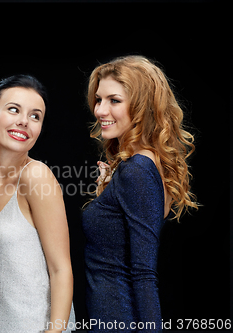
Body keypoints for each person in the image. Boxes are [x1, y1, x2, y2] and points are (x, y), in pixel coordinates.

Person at [82, 55, 198, 332]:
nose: (100, 110)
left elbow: (144, 274)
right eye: (99, 100)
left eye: (114, 100)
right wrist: (105, 197)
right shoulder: (134, 167)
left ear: (142, 106)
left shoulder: (138, 170)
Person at [0, 75, 75, 332]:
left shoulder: (36, 175)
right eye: (14, 109)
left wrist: (55, 330)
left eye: (35, 116)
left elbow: (61, 270)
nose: (24, 121)